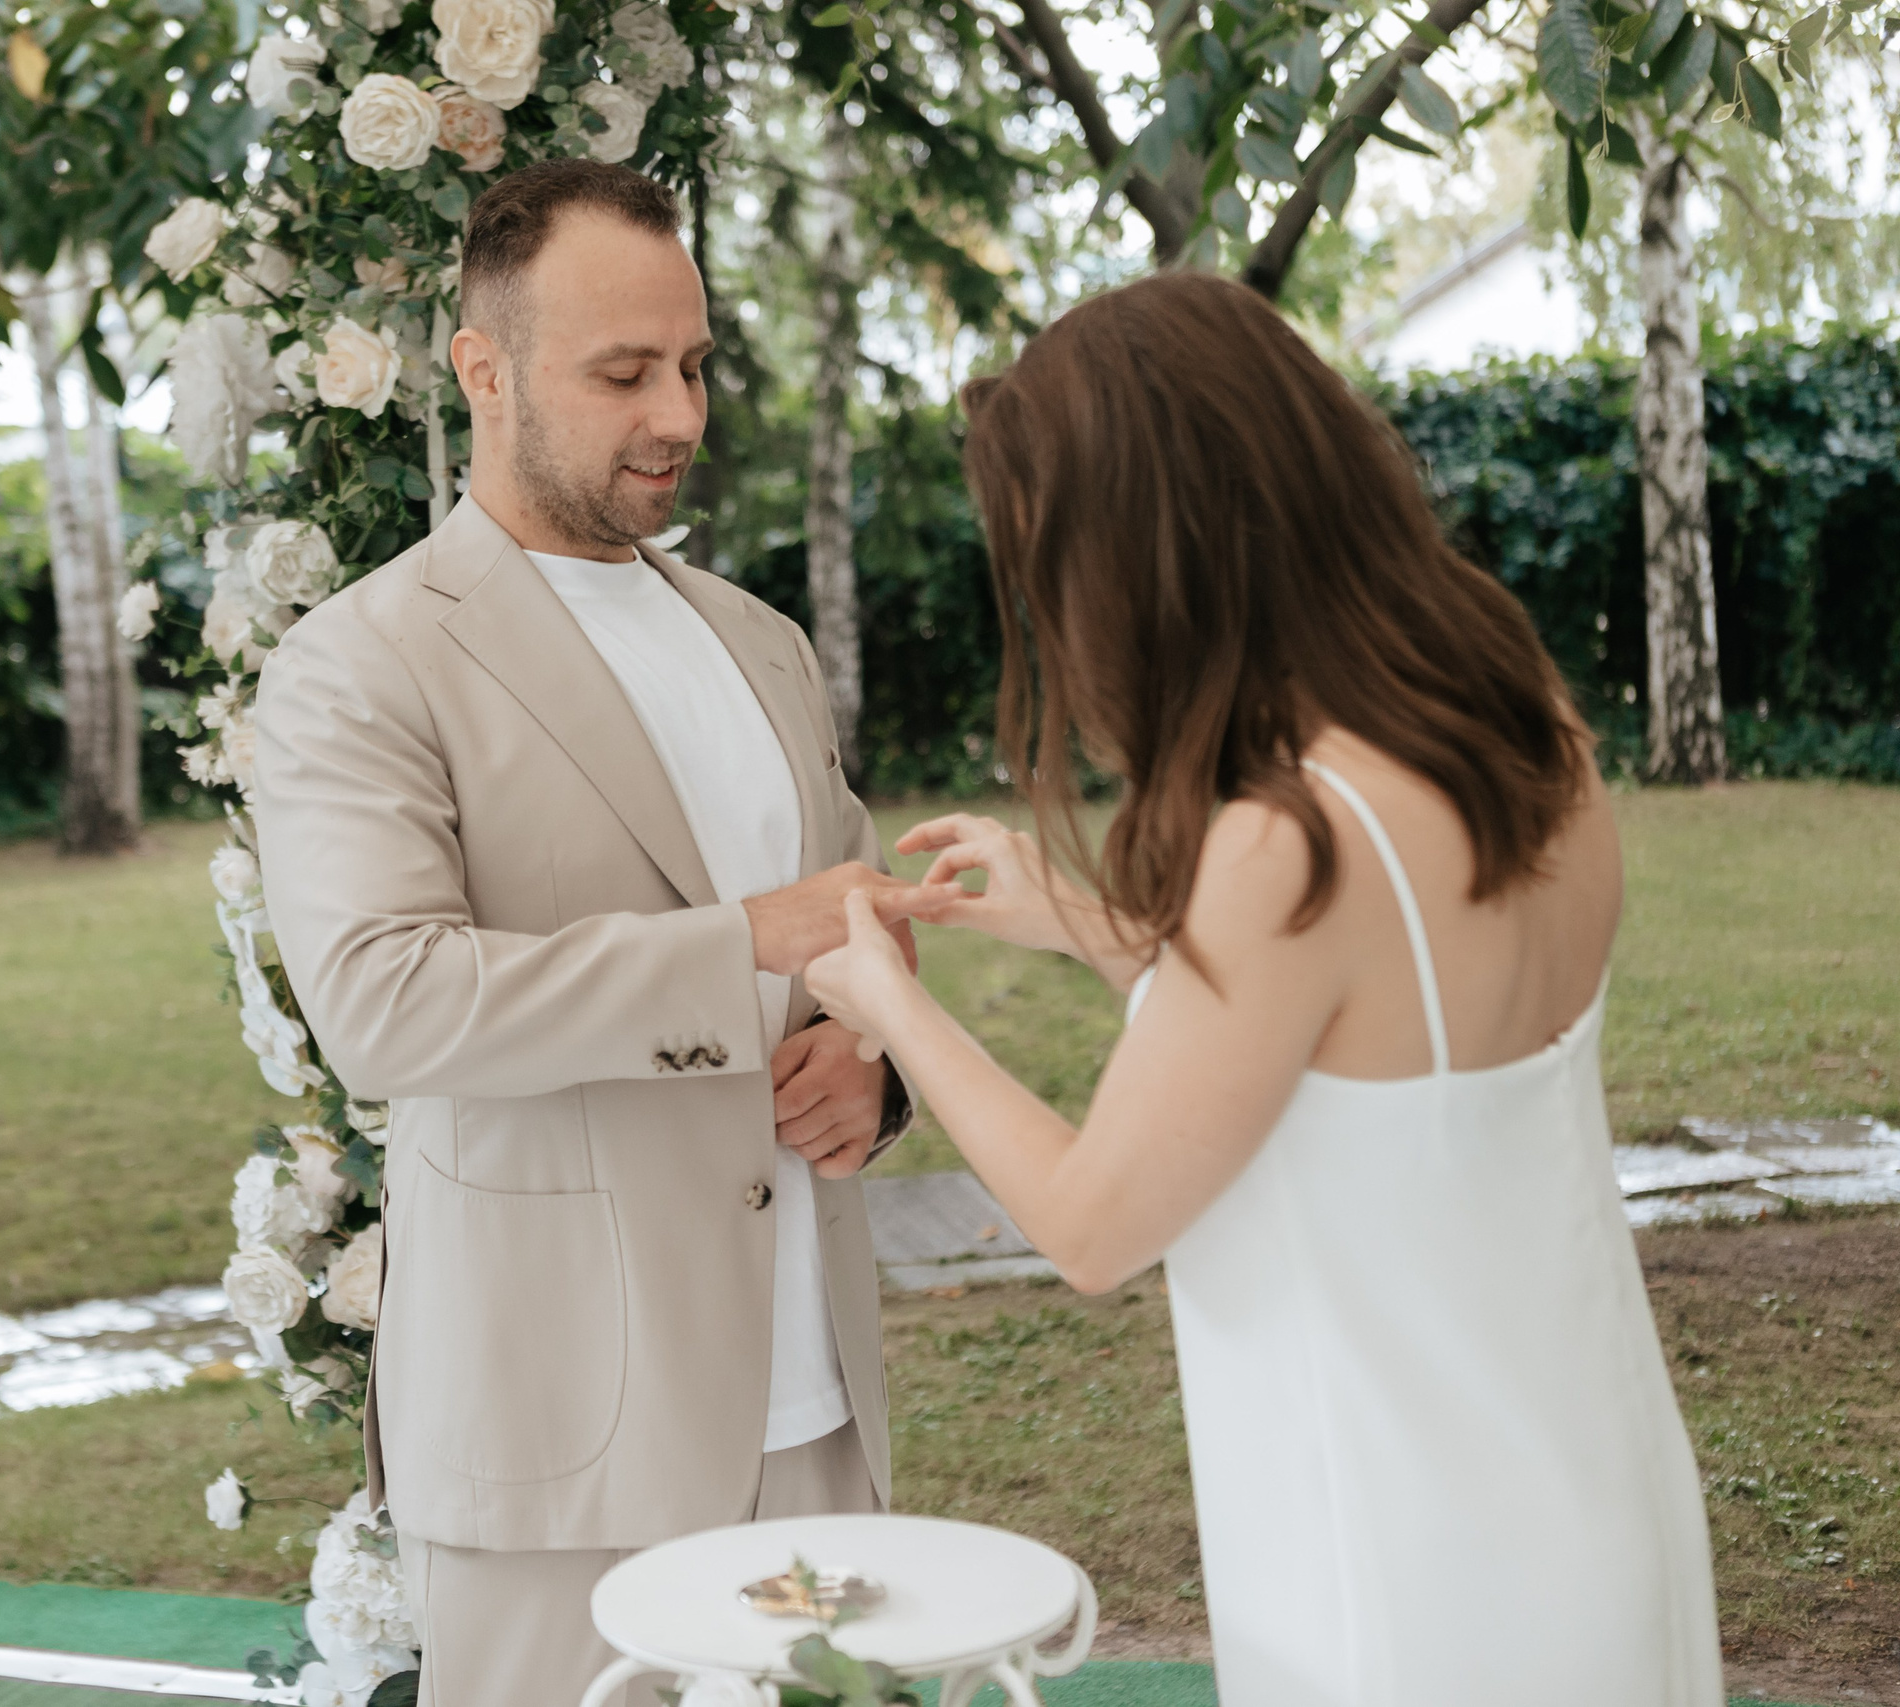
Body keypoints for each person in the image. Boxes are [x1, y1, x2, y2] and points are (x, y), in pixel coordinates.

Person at [805, 272, 1725, 1705]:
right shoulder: (1515, 723)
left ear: (1144, 549)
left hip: (1405, 1586)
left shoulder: (1286, 841)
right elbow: (1363, 1062)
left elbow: (1099, 1222)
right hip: (1587, 1512)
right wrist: (1086, 921)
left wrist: (893, 1004)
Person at [249, 161, 920, 1707]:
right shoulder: (363, 664)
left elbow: (848, 907)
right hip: (562, 1440)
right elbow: (385, 1005)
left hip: (811, 1413)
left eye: (691, 366)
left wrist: (868, 1054)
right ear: (482, 370)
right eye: (623, 373)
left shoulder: (765, 642)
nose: (679, 415)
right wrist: (744, 943)